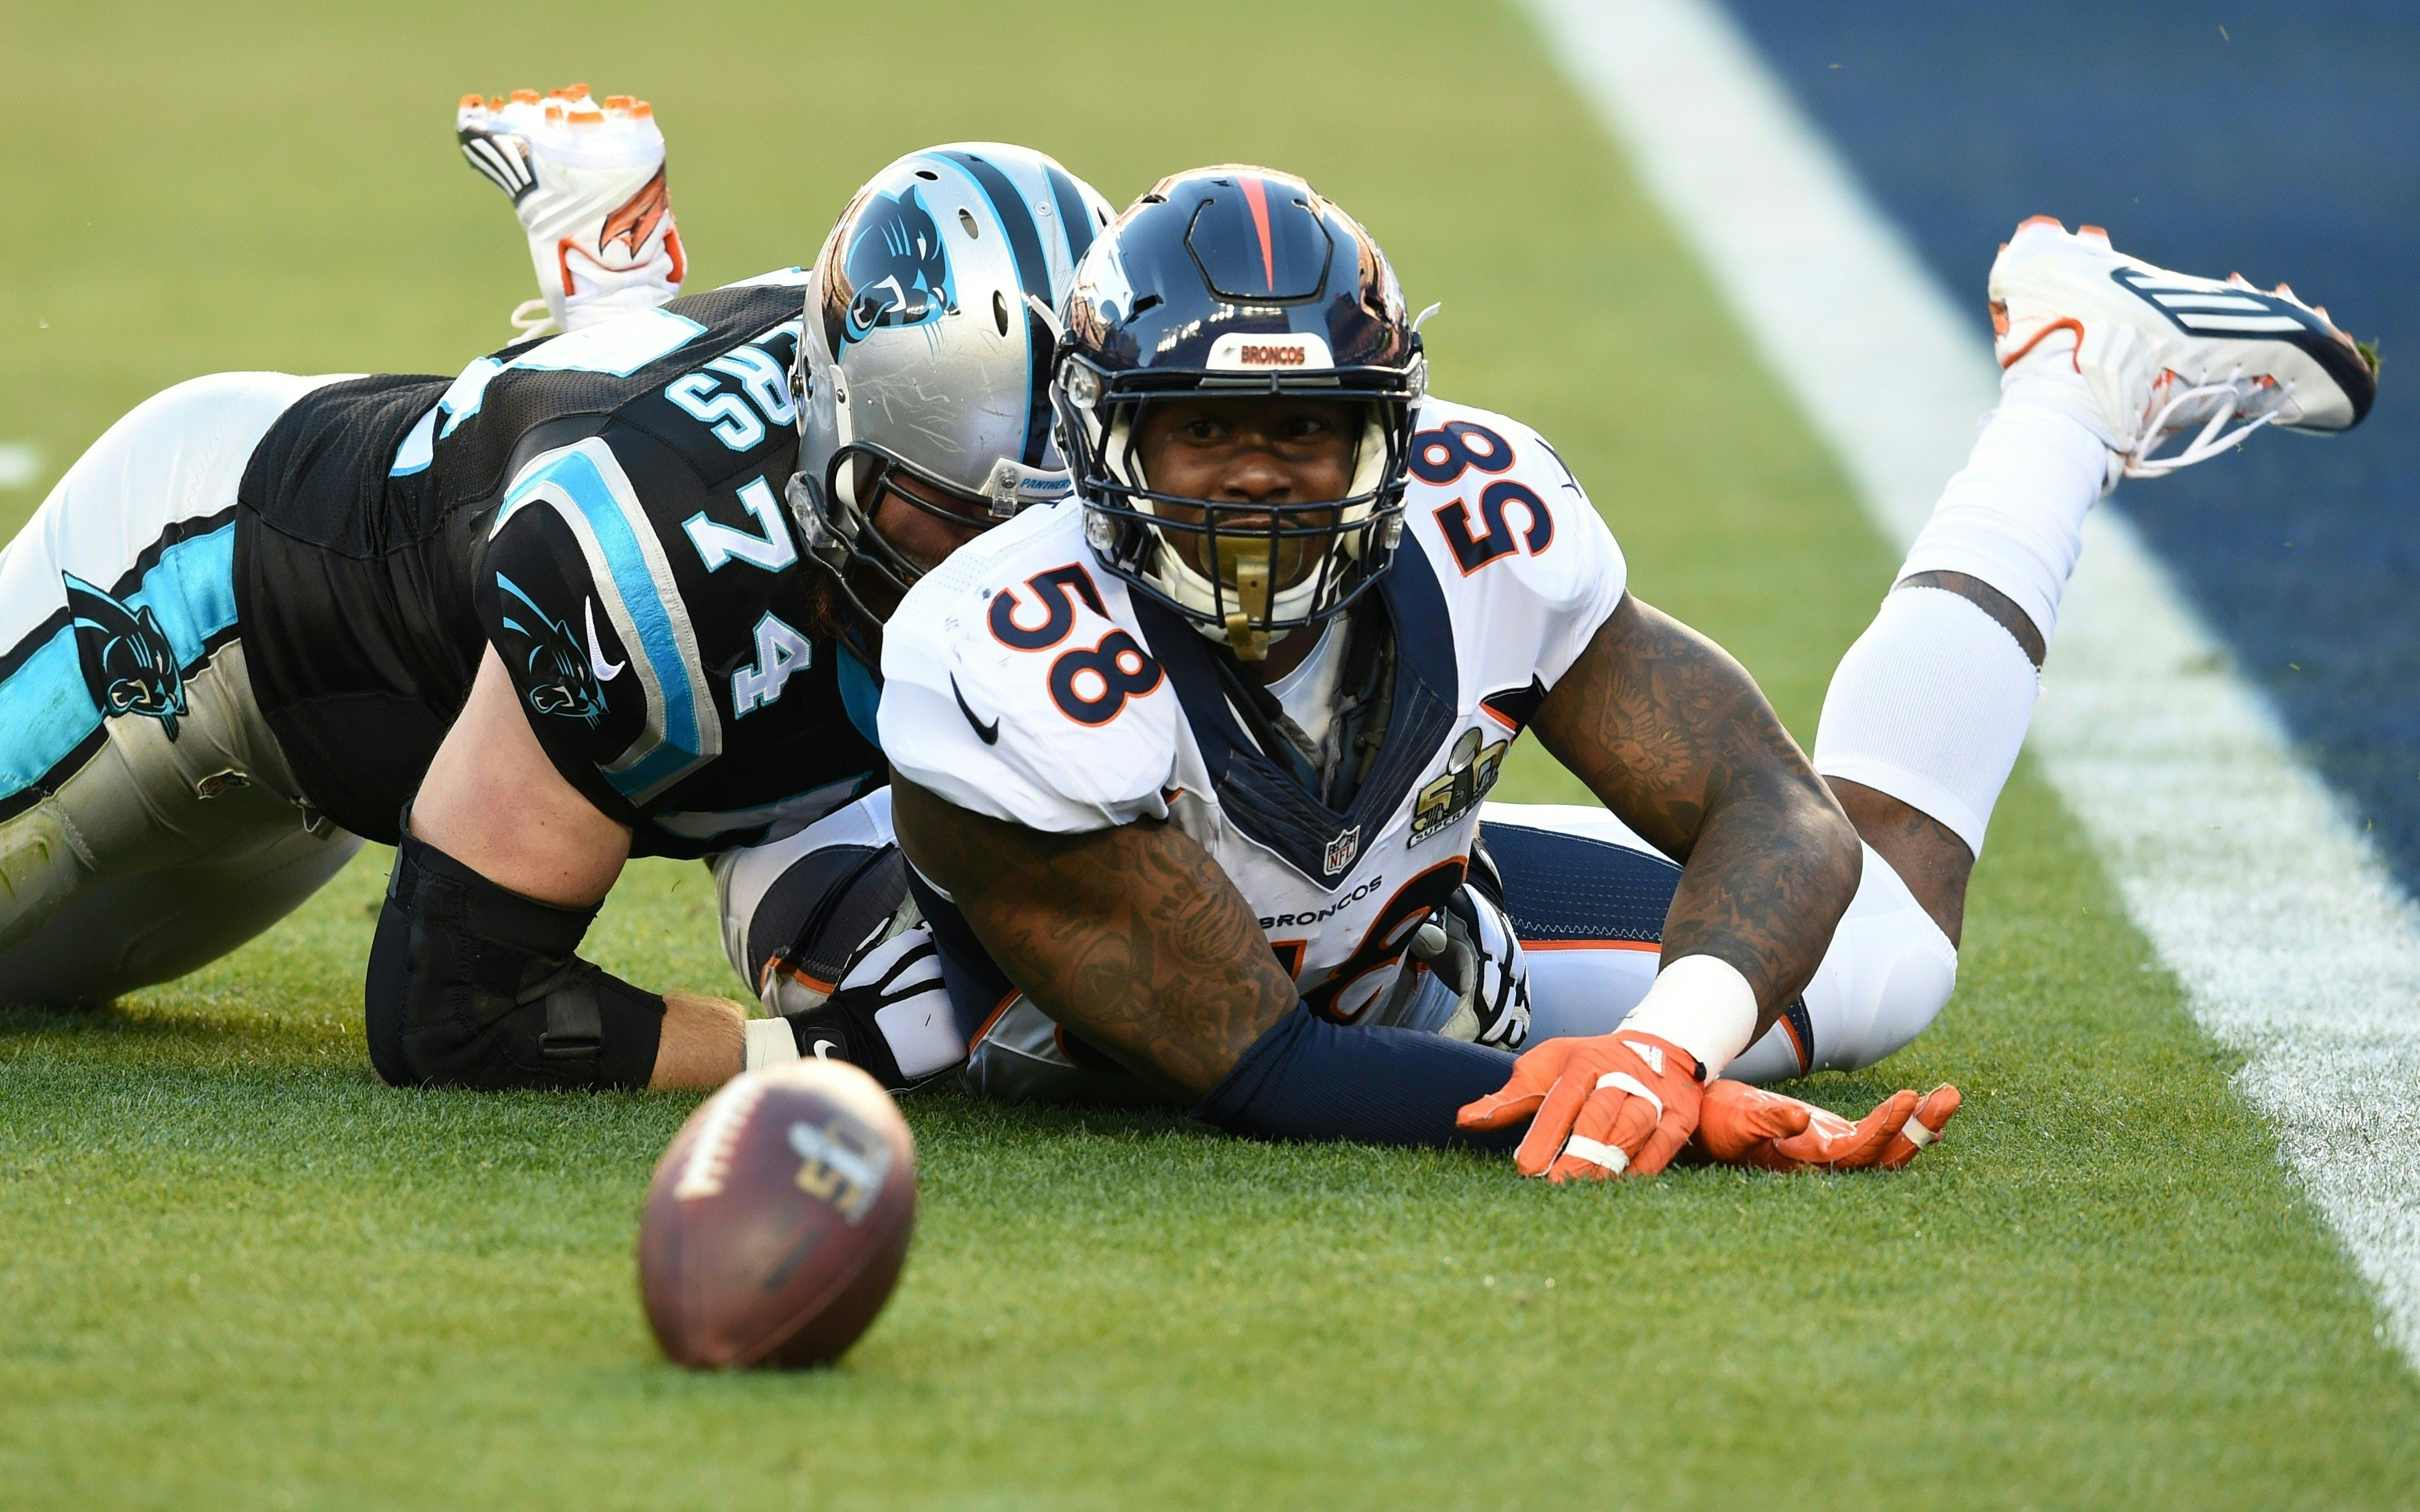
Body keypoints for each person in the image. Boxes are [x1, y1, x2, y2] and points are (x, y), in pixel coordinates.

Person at [863, 168, 2373, 1179]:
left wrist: (1661, 1049)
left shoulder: (1482, 523)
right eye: (1204, 428)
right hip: (1091, 1001)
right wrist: (1679, 1107)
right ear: (1104, 435)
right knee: (886, 1022)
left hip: (1394, 923)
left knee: (1895, 951)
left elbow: (1777, 810)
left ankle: (2071, 388)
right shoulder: (1003, 657)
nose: (1259, 477)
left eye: (1308, 428)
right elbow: (1263, 1067)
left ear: (1386, 437)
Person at [0, 91, 1105, 1097]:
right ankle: (609, 285)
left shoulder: (924, 411)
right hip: (194, 608)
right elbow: (453, 1013)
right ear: (842, 443)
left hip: (439, 696)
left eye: (1061, 516)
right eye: (966, 513)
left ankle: (610, 281)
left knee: (935, 998)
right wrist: (796, 1057)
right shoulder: (656, 569)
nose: (1011, 566)